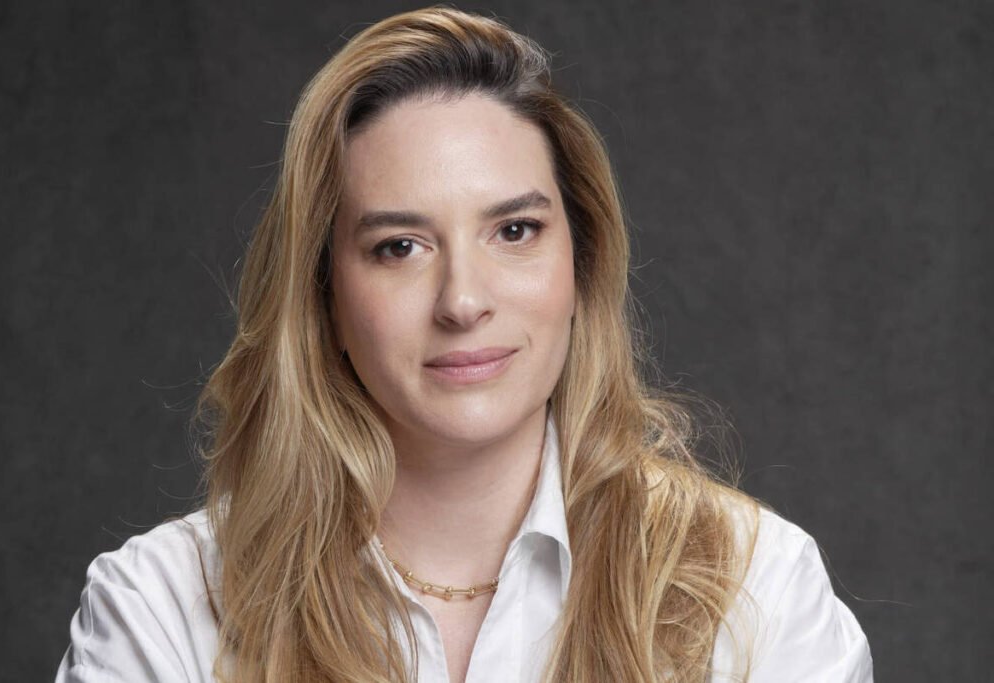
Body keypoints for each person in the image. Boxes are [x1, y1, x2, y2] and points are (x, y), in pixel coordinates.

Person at [55, 6, 873, 682]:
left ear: (582, 261)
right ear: (323, 295)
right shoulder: (162, 610)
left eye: (514, 230)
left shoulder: (755, 588)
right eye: (399, 247)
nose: (463, 301)